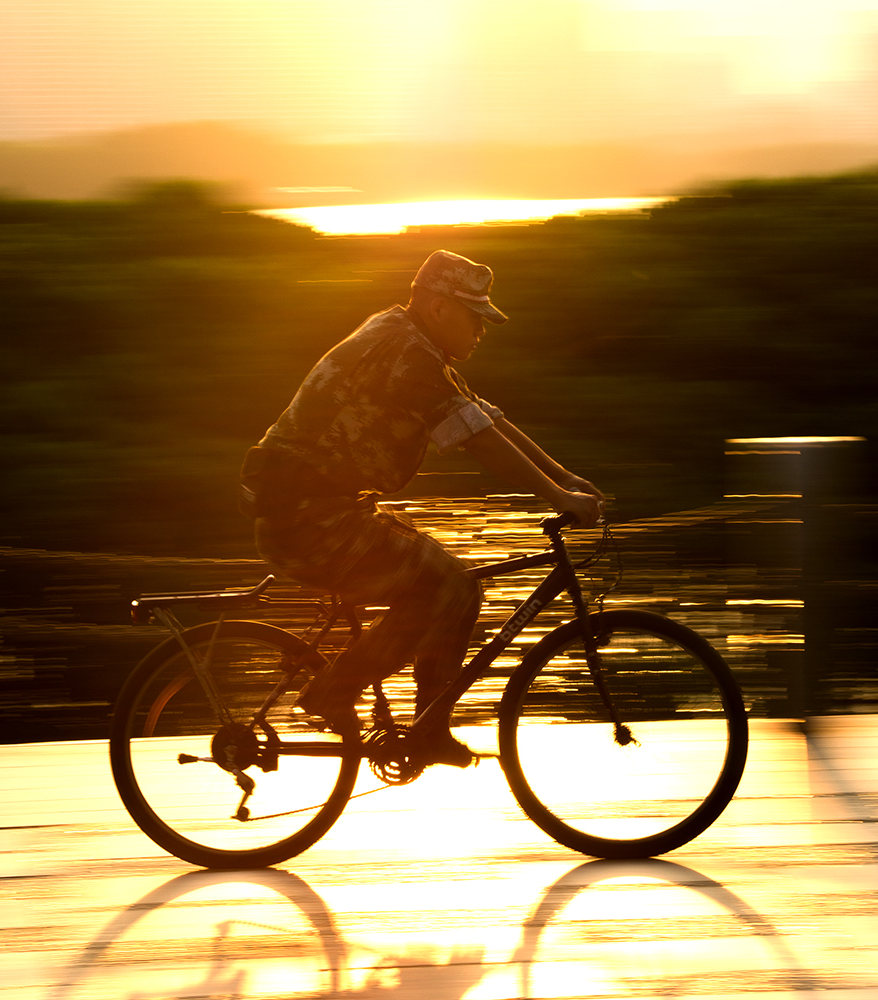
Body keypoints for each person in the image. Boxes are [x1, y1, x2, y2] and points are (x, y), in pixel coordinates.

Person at [239, 249, 604, 766]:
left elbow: (485, 419)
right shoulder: (406, 353)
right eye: (474, 317)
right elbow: (478, 440)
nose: (482, 330)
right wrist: (560, 498)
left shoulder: (408, 338)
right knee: (453, 584)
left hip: (321, 510)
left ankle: (412, 718)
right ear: (437, 308)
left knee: (440, 585)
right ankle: (362, 703)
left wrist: (563, 477)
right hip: (309, 519)